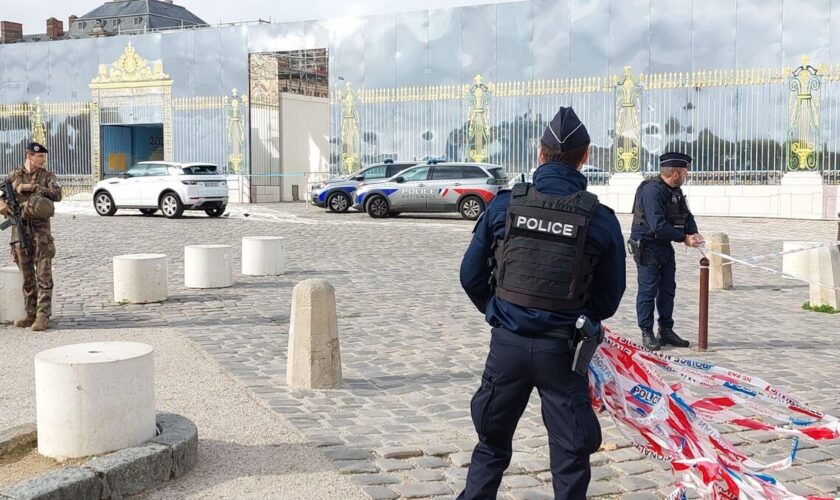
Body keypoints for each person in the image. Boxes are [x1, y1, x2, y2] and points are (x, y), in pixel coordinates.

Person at [458, 107, 626, 499]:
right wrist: (577, 316)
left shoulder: (503, 206)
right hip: (563, 351)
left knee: (490, 445)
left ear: (539, 153)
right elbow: (608, 297)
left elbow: (470, 276)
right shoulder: (599, 218)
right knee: (570, 456)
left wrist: (500, 312)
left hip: (507, 348)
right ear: (586, 156)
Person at [629, 152, 704, 351]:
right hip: (647, 246)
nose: (687, 175)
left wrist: (693, 233)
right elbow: (658, 226)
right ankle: (647, 332)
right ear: (676, 173)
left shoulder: (676, 191)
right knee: (648, 290)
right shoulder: (651, 191)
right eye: (685, 172)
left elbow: (686, 215)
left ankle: (666, 330)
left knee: (667, 290)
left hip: (664, 246)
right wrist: (683, 238)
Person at [5, 142, 62, 331]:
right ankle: (30, 314)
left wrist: (36, 188)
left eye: (44, 157)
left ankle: (43, 316)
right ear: (29, 156)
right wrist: (4, 208)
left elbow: (57, 195)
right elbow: (2, 197)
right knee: (27, 277)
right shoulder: (14, 176)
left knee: (43, 275)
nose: (43, 160)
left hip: (41, 234)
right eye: (40, 157)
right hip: (19, 232)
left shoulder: (47, 176)